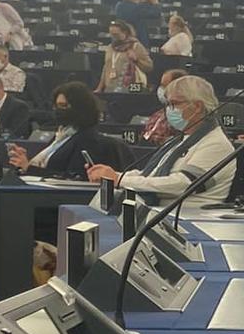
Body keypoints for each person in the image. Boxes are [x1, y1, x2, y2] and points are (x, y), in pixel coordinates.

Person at [87, 75, 235, 206]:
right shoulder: (180, 140)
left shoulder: (216, 144)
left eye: (174, 104)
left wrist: (119, 179)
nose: (168, 110)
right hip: (160, 214)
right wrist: (111, 175)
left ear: (197, 106)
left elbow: (183, 184)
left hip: (189, 220)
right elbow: (151, 176)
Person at [7, 82, 111, 179]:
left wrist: (29, 169)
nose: (58, 111)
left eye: (63, 106)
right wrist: (24, 162)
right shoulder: (62, 135)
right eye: (56, 106)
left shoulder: (87, 139)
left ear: (80, 108)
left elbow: (74, 178)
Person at [97, 21, 153, 93]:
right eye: (111, 34)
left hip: (130, 89)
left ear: (125, 32)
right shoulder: (110, 48)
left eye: (116, 34)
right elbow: (106, 68)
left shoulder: (136, 46)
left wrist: (136, 60)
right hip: (110, 88)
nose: (113, 37)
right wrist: (100, 88)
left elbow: (149, 67)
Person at [144, 69, 188, 145]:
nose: (161, 89)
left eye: (165, 86)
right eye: (161, 85)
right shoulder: (158, 114)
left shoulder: (180, 116)